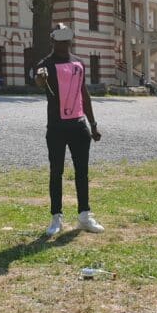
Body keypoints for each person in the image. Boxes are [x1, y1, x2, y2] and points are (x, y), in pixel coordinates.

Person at [35, 23, 104, 236]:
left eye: (67, 39)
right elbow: (39, 82)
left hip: (79, 125)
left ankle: (84, 215)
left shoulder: (78, 63)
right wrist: (40, 78)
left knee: (82, 172)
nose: (64, 43)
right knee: (56, 172)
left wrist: (93, 124)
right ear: (53, 40)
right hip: (56, 127)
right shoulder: (45, 64)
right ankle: (56, 216)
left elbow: (84, 94)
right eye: (60, 39)